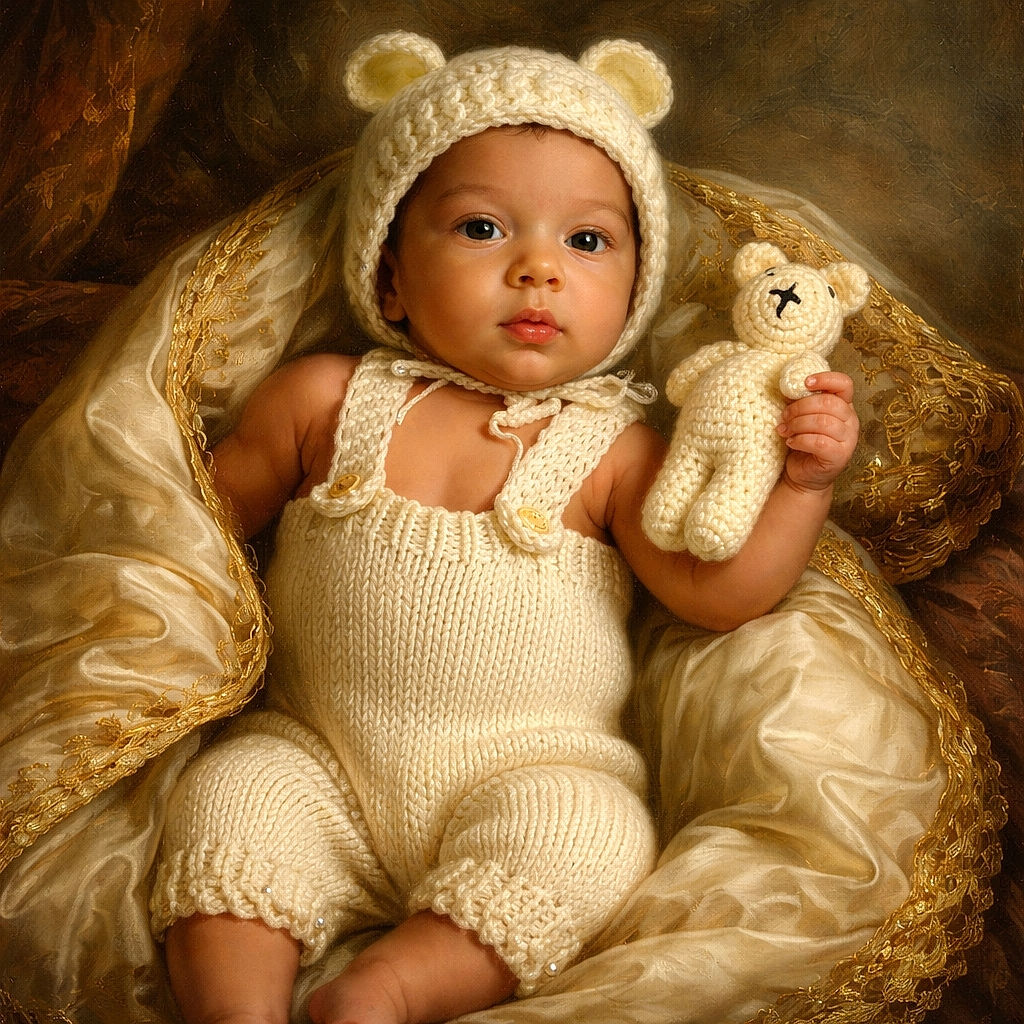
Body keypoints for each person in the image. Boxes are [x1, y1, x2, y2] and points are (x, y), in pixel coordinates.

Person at [148, 32, 860, 1024]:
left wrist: (801, 487)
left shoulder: (613, 448)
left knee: (597, 833)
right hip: (315, 756)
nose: (536, 269)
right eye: (482, 229)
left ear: (629, 296)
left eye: (586, 241)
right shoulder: (324, 399)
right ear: (390, 276)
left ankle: (386, 992)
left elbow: (721, 591)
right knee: (228, 805)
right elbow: (190, 540)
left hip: (529, 773)